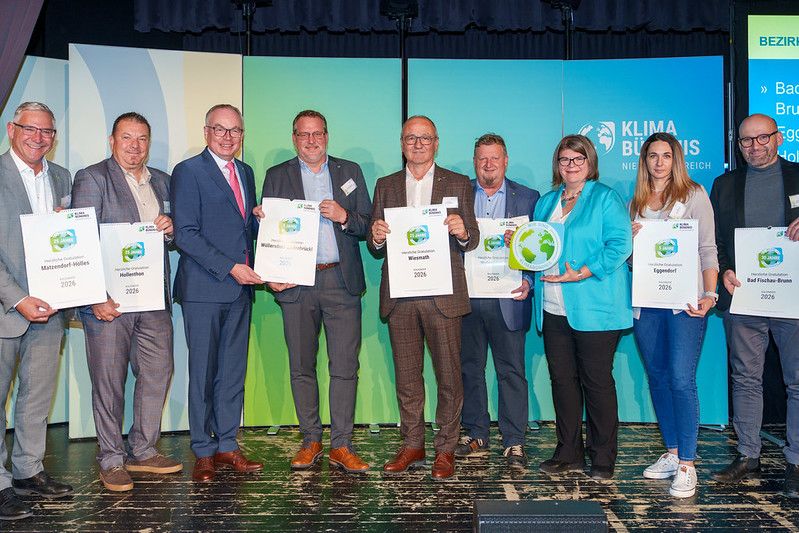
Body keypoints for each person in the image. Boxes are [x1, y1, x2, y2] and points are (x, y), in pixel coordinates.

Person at [71, 112, 181, 492]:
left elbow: (172, 237)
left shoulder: (163, 182)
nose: (135, 146)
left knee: (157, 373)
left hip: (152, 299)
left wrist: (170, 230)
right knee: (109, 381)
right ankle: (111, 459)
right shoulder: (92, 177)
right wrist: (94, 296)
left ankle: (144, 451)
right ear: (112, 140)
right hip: (109, 304)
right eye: (127, 138)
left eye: (142, 139)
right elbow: (81, 241)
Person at [260, 110, 372, 472]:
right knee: (301, 366)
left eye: (318, 133)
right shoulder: (276, 176)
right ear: (294, 138)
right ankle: (311, 440)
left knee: (344, 367)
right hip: (296, 283)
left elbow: (367, 226)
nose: (311, 140)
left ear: (327, 135)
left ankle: (342, 444)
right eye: (303, 134)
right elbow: (267, 234)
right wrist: (266, 237)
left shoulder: (349, 172)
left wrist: (344, 216)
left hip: (340, 280)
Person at [368, 115, 479, 479]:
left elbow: (473, 236)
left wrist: (463, 231)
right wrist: (378, 237)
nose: (417, 144)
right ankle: (412, 444)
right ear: (401, 143)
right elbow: (374, 242)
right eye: (410, 138)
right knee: (407, 378)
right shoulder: (385, 185)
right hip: (401, 296)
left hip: (442, 298)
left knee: (449, 377)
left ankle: (445, 448)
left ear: (436, 142)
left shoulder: (458, 183)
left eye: (424, 138)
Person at [171, 104, 263, 482]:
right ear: (206, 131)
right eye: (220, 129)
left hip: (240, 291)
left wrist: (263, 226)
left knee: (231, 372)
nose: (228, 137)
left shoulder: (246, 172)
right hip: (205, 289)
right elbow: (185, 233)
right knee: (204, 371)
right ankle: (203, 450)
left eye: (236, 131)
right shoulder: (188, 171)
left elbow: (243, 232)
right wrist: (230, 267)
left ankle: (227, 444)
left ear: (242, 135)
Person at [709, 113, 799, 497]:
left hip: (793, 297)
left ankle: (796, 460)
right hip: (743, 295)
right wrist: (724, 269)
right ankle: (748, 454)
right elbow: (712, 241)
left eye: (762, 138)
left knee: (797, 382)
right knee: (746, 378)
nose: (755, 146)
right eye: (747, 141)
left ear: (778, 138)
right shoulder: (725, 184)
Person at [533, 134, 632, 480]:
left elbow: (620, 245)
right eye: (564, 160)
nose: (571, 166)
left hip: (595, 306)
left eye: (578, 160)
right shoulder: (545, 203)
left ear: (590, 164)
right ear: (557, 165)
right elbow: (538, 247)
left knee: (596, 383)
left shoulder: (606, 198)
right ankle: (568, 452)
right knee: (562, 382)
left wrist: (584, 272)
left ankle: (603, 458)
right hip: (551, 305)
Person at [629, 132, 718, 498]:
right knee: (658, 376)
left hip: (685, 303)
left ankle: (688, 464)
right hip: (647, 303)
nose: (659, 162)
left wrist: (710, 294)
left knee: (682, 380)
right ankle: (671, 452)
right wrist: (631, 242)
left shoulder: (693, 194)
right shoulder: (635, 202)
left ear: (676, 159)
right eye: (653, 156)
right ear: (645, 161)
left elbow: (707, 249)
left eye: (666, 155)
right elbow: (635, 261)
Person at [0, 102, 73, 520]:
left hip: (51, 307)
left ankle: (28, 471)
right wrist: (17, 297)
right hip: (6, 307)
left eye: (47, 131)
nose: (38, 137)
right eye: (30, 129)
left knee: (36, 396)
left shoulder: (61, 177)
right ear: (12, 129)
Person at [457, 133, 539, 468]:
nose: (488, 165)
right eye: (482, 159)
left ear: (505, 160)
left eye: (495, 158)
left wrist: (529, 278)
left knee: (512, 371)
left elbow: (541, 247)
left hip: (509, 298)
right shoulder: (457, 195)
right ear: (474, 162)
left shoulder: (529, 198)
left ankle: (514, 440)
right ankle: (476, 432)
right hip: (467, 298)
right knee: (470, 369)